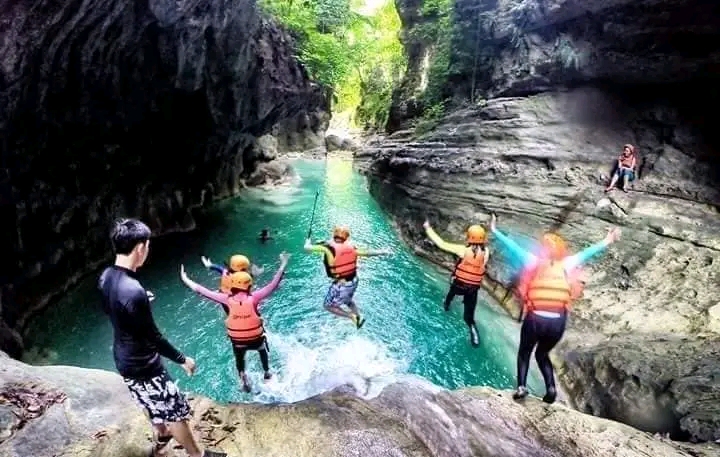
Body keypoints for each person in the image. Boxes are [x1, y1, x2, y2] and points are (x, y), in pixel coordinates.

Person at [98, 218, 225, 457]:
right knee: (175, 412)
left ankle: (161, 436)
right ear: (140, 248)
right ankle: (198, 455)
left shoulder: (106, 276)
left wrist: (138, 304)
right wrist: (182, 359)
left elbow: (111, 307)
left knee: (148, 402)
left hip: (123, 359)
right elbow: (153, 337)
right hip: (144, 363)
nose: (147, 251)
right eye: (147, 246)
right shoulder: (133, 291)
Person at [489, 214, 620, 404]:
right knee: (542, 354)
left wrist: (494, 230)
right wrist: (608, 239)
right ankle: (551, 387)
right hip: (557, 322)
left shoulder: (533, 261)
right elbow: (589, 252)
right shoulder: (567, 263)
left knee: (525, 352)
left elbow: (511, 246)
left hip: (535, 319)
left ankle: (521, 387)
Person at [180, 252, 288, 393]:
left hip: (238, 342)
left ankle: (242, 376)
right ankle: (267, 373)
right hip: (256, 339)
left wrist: (185, 279)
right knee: (262, 348)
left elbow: (202, 290)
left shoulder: (226, 299)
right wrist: (283, 264)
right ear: (249, 285)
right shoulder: (255, 297)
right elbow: (273, 285)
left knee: (239, 356)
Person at [304, 225, 391, 329]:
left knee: (327, 306)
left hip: (342, 284)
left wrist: (308, 241)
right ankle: (358, 317)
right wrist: (383, 251)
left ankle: (351, 316)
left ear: (334, 235)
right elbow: (368, 253)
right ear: (346, 238)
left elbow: (307, 248)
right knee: (348, 300)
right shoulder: (352, 248)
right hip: (354, 281)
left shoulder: (327, 248)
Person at [423, 220, 489, 347]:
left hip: (459, 285)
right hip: (472, 289)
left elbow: (441, 244)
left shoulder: (463, 250)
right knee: (468, 318)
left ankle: (446, 305)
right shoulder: (486, 252)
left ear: (469, 237)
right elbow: (482, 263)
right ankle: (475, 336)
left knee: (451, 293)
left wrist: (428, 228)